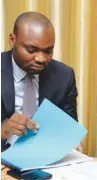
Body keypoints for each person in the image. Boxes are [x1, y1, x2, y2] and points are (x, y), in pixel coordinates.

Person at [1, 12, 80, 151]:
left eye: (48, 51)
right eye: (31, 50)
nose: (41, 59)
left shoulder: (64, 76)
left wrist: (71, 142)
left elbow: (68, 126)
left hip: (45, 159)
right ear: (12, 40)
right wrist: (2, 132)